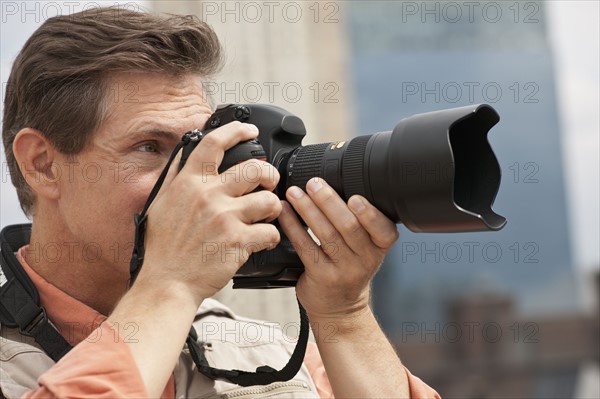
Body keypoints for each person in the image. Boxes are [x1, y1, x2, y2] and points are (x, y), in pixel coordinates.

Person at [0, 7, 440, 399]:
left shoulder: (269, 352)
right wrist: (170, 283)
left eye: (198, 147)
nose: (196, 180)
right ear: (43, 165)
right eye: (150, 147)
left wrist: (344, 315)